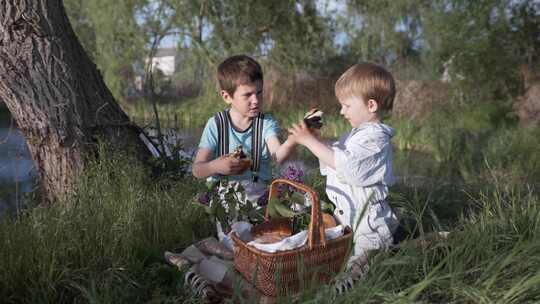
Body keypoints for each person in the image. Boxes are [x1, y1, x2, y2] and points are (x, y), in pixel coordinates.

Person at [165, 54, 297, 300]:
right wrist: (218, 166)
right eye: (247, 95)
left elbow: (277, 155)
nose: (256, 100)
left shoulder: (266, 122)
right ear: (227, 96)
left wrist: (296, 139)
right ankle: (209, 261)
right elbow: (197, 169)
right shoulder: (216, 124)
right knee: (246, 252)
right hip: (229, 202)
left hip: (261, 201)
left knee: (276, 246)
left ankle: (203, 252)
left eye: (259, 92)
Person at [288, 62, 400, 295]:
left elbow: (349, 168)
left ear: (371, 105)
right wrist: (317, 140)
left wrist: (308, 142)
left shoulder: (376, 138)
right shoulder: (356, 134)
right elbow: (335, 158)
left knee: (360, 265)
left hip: (369, 225)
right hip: (348, 219)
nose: (342, 111)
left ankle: (346, 287)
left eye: (347, 105)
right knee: (319, 246)